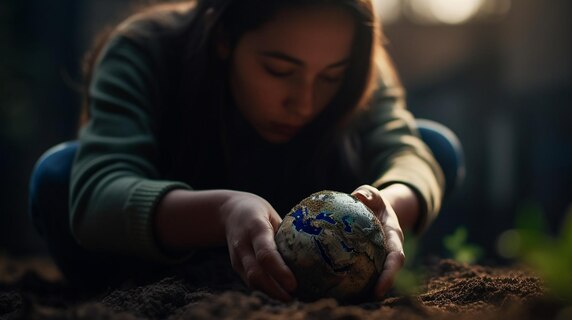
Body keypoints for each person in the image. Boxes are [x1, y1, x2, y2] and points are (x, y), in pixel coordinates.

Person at [29, 0, 454, 302]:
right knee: (59, 175)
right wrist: (223, 211)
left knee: (435, 147)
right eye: (278, 70)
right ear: (224, 39)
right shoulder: (146, 50)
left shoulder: (360, 66)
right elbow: (98, 192)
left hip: (315, 258)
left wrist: (389, 205)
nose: (303, 103)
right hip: (166, 257)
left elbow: (407, 153)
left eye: (330, 77)